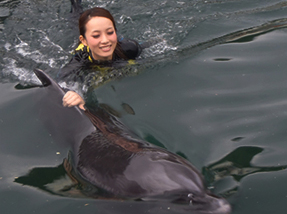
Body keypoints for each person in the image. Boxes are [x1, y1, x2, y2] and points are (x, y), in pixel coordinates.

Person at [60, 6, 143, 111]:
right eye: (96, 36)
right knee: (75, 22)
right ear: (84, 41)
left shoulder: (129, 48)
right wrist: (74, 96)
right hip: (83, 48)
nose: (105, 40)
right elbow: (62, 86)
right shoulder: (78, 64)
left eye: (110, 32)